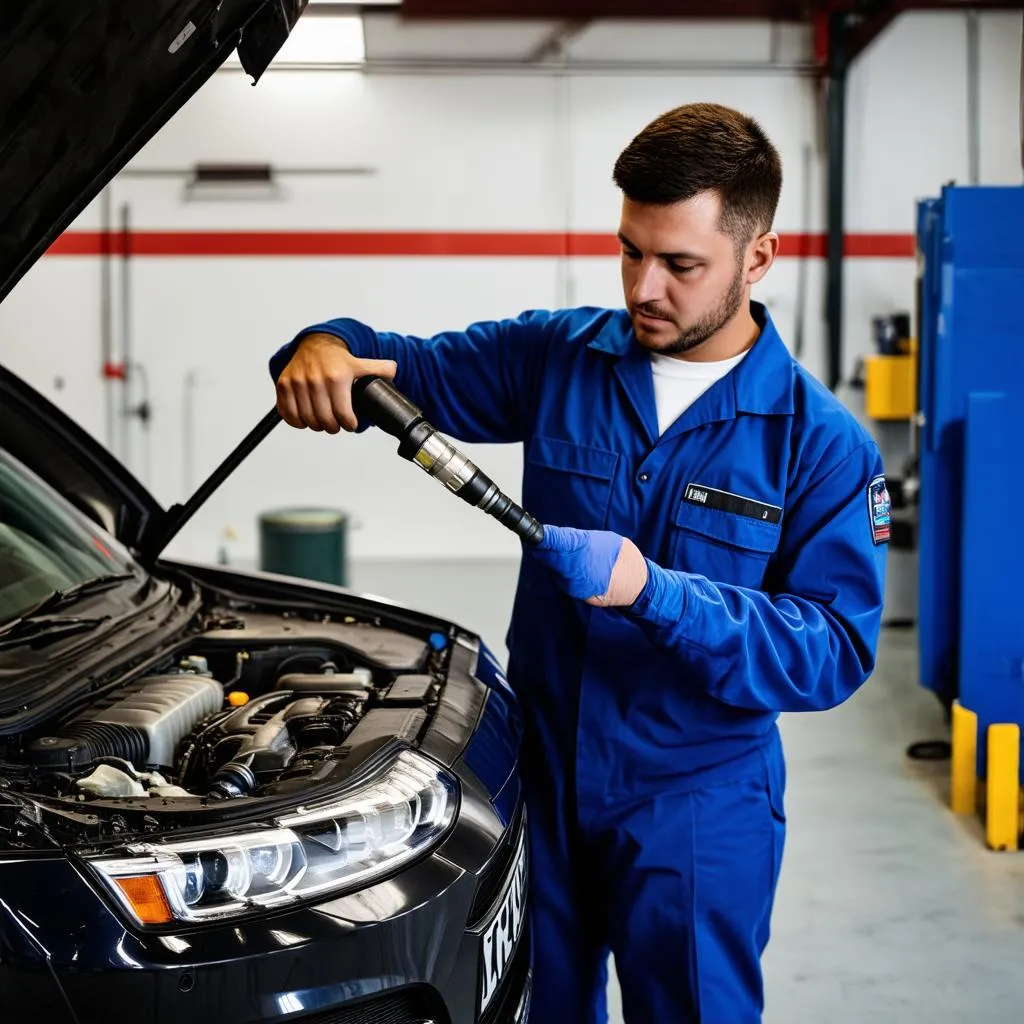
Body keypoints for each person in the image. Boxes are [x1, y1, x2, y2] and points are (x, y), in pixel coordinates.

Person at [269, 102, 887, 1024]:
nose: (644, 287)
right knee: (535, 1005)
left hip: (696, 797)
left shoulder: (820, 443)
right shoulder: (557, 357)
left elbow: (833, 647)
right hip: (542, 776)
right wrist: (318, 345)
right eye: (631, 250)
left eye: (680, 264)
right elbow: (390, 366)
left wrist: (655, 593)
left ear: (758, 258)